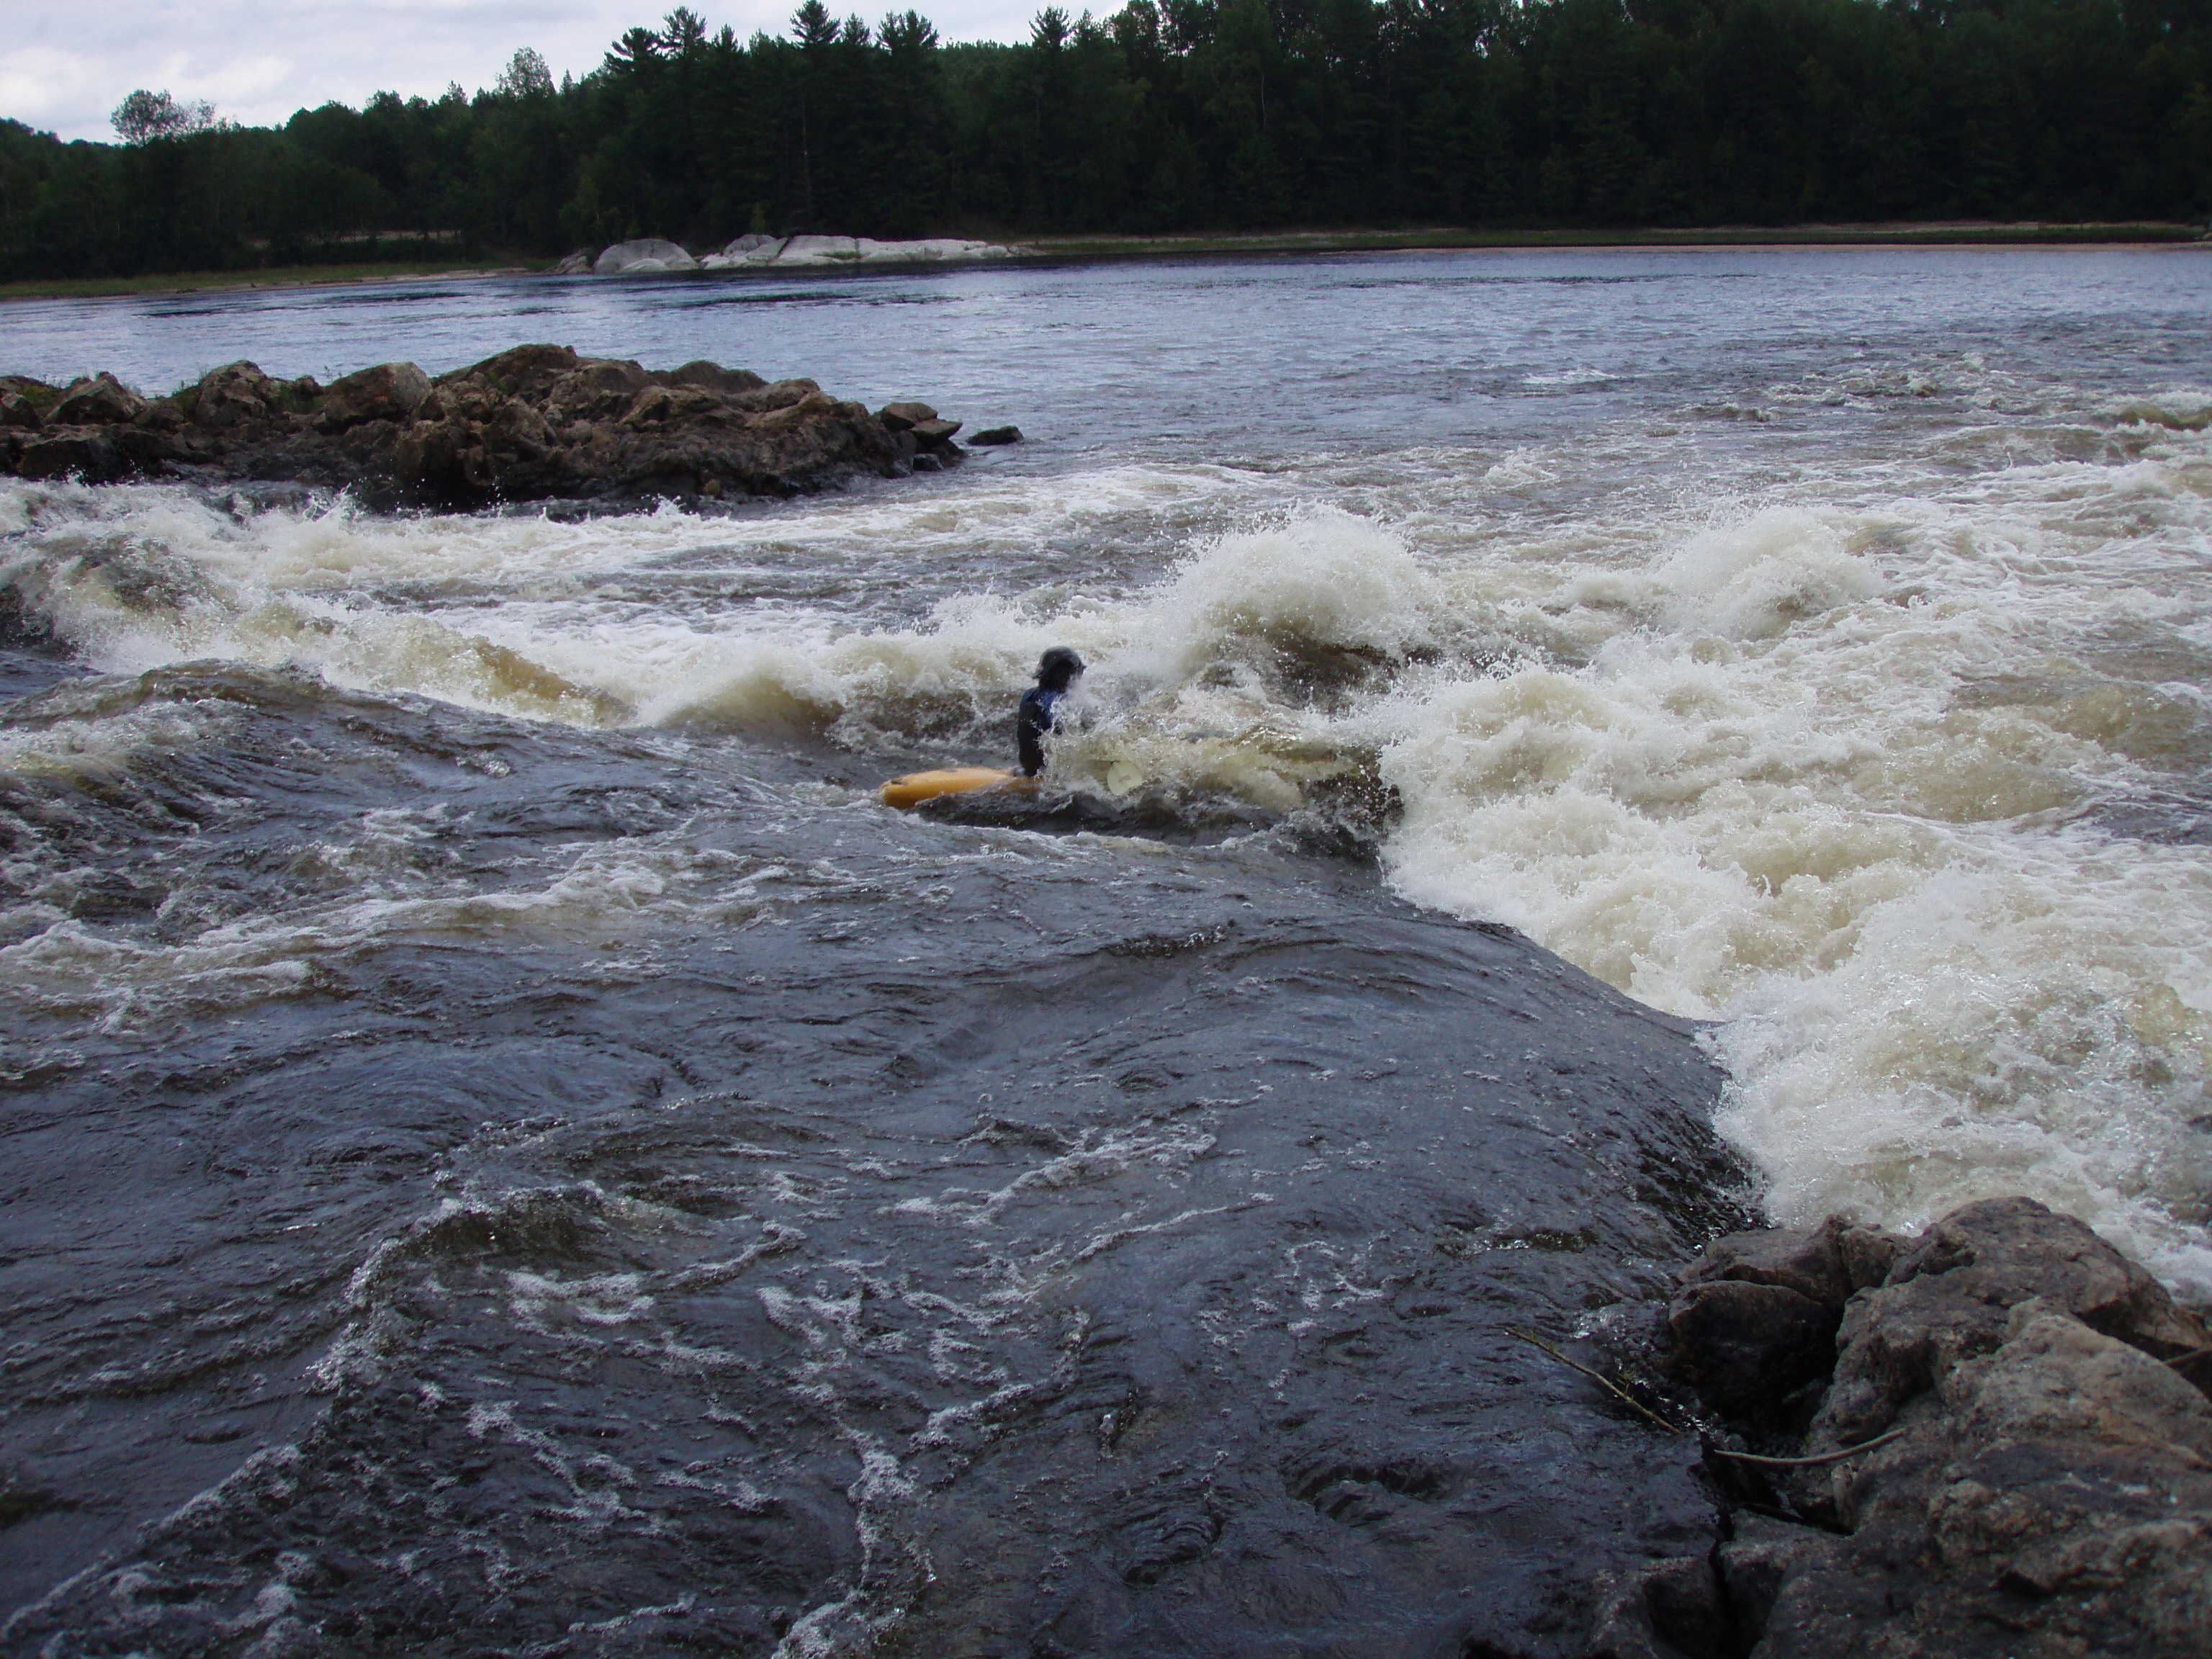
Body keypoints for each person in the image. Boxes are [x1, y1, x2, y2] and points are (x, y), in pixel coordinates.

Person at [1016, 647, 1084, 775]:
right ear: (1066, 676)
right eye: (1078, 674)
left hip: (1028, 767)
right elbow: (1060, 724)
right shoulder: (1057, 701)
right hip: (1043, 772)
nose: (1080, 679)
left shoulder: (1030, 694)